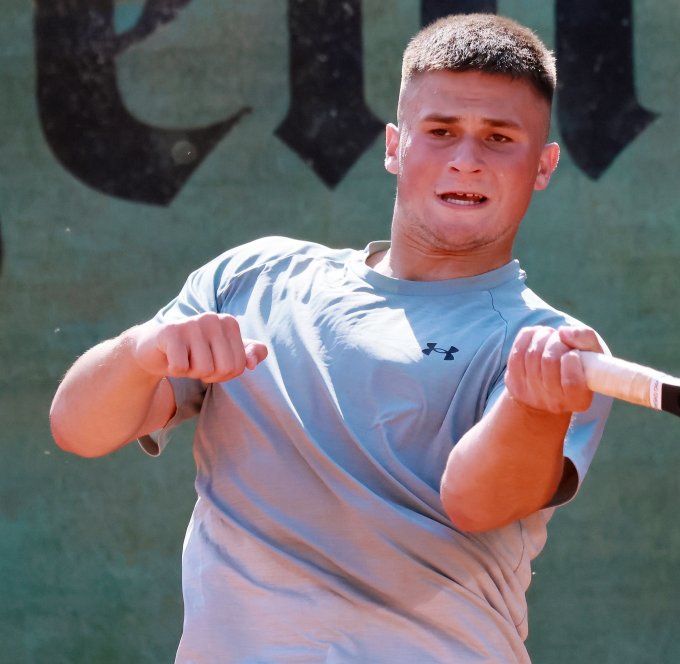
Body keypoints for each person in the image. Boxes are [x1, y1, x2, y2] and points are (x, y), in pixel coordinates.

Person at [49, 14, 612, 663]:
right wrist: (140, 352)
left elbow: (476, 503)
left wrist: (532, 406)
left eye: (499, 137)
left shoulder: (554, 346)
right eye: (441, 131)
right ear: (395, 146)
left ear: (542, 166)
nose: (466, 159)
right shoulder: (253, 277)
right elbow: (77, 427)